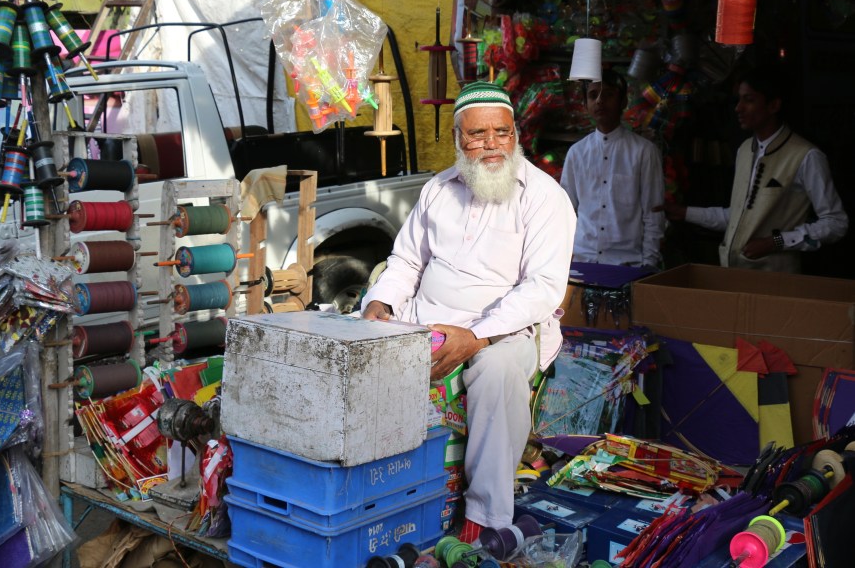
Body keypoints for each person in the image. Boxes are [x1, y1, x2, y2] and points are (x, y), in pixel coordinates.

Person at [360, 81, 576, 540]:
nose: (492, 145)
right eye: (478, 135)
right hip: (425, 320)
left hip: (510, 331)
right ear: (459, 140)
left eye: (502, 132)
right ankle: (373, 496)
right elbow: (406, 261)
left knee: (496, 369)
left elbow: (543, 288)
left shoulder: (544, 196)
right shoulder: (439, 189)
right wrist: (379, 302)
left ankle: (486, 516)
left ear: (516, 135)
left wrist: (477, 336)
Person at [656, 66, 848, 272]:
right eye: (738, 99)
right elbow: (738, 216)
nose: (738, 108)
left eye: (749, 100)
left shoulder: (806, 156)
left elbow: (836, 223)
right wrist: (684, 213)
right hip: (736, 274)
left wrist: (776, 242)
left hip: (776, 278)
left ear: (773, 105)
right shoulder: (745, 150)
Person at [559, 69, 665, 268]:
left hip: (628, 264)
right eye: (592, 95)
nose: (599, 101)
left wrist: (649, 264)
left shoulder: (644, 152)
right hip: (583, 260)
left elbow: (653, 214)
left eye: (608, 95)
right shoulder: (577, 153)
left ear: (623, 102)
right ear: (585, 104)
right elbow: (565, 211)